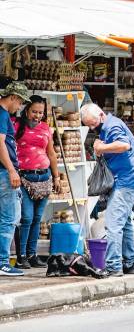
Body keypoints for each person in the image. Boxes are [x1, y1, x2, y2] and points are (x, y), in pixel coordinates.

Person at [80, 103, 134, 277]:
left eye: (93, 124)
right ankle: (130, 263)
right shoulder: (107, 125)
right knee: (124, 224)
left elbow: (124, 145)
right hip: (125, 179)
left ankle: (114, 265)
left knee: (113, 224)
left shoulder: (112, 125)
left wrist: (101, 148)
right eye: (89, 126)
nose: (93, 128)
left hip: (126, 180)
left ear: (101, 115)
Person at [13, 95, 61, 269]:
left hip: (44, 177)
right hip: (24, 178)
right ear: (26, 110)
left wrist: (56, 177)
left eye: (40, 112)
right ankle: (21, 256)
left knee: (37, 218)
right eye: (34, 111)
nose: (37, 115)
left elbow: (51, 154)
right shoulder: (16, 126)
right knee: (26, 218)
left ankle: (32, 255)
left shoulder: (46, 128)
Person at [0, 82, 30, 277]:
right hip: (3, 172)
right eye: (19, 103)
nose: (19, 107)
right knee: (9, 219)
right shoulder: (2, 114)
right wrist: (11, 170)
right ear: (12, 97)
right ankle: (2, 262)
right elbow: (0, 143)